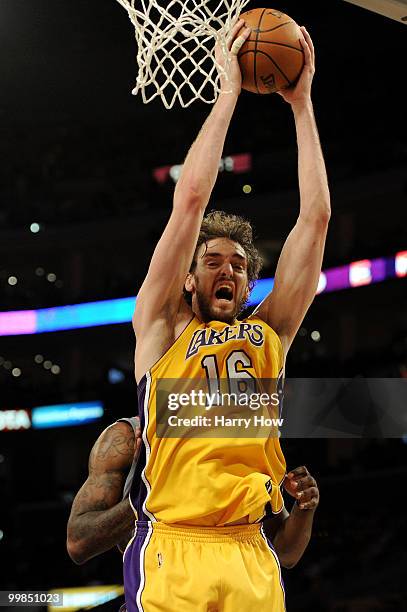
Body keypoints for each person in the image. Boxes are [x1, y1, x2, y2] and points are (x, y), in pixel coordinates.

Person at [88, 17, 327, 611]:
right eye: (213, 261)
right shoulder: (163, 326)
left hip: (250, 549)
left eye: (240, 265)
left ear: (249, 280)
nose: (228, 271)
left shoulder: (270, 332)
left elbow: (315, 220)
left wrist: (302, 106)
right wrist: (227, 95)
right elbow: (190, 200)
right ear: (189, 278)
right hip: (173, 547)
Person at [66, 418, 318, 571]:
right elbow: (79, 543)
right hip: (162, 585)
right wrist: (150, 492)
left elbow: (285, 553)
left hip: (235, 585)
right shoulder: (128, 437)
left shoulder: (242, 438)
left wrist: (304, 507)